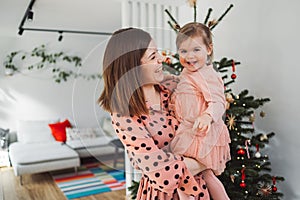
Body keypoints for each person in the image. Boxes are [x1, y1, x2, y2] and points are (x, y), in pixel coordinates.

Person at [98, 27, 210, 200]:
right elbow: (163, 174)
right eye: (153, 57)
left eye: (157, 53)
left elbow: (210, 118)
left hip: (202, 188)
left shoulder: (174, 84)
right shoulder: (123, 115)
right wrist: (206, 160)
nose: (162, 59)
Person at [169, 22, 231, 200]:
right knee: (206, 175)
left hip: (202, 135)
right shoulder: (186, 73)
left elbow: (219, 101)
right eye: (183, 51)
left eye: (196, 50)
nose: (190, 56)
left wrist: (207, 115)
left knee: (179, 171)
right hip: (188, 131)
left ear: (209, 49)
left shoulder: (207, 74)